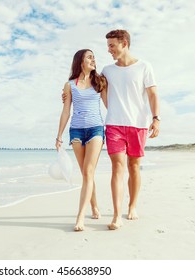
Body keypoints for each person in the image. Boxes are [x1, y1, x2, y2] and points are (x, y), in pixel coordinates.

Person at [101, 29, 160, 230]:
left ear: (124, 43)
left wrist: (156, 118)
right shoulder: (107, 71)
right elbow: (96, 90)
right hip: (114, 124)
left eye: (112, 45)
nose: (109, 50)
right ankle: (117, 215)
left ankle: (132, 206)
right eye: (108, 46)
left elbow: (152, 94)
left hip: (138, 124)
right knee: (117, 166)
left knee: (134, 166)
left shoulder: (144, 66)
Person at [56, 49, 107, 231]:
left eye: (94, 56)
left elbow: (109, 105)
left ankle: (80, 218)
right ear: (80, 62)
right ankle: (94, 205)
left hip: (96, 129)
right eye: (89, 57)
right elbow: (66, 110)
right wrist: (59, 135)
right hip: (76, 131)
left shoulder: (100, 81)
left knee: (88, 171)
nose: (94, 59)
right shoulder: (70, 85)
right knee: (87, 174)